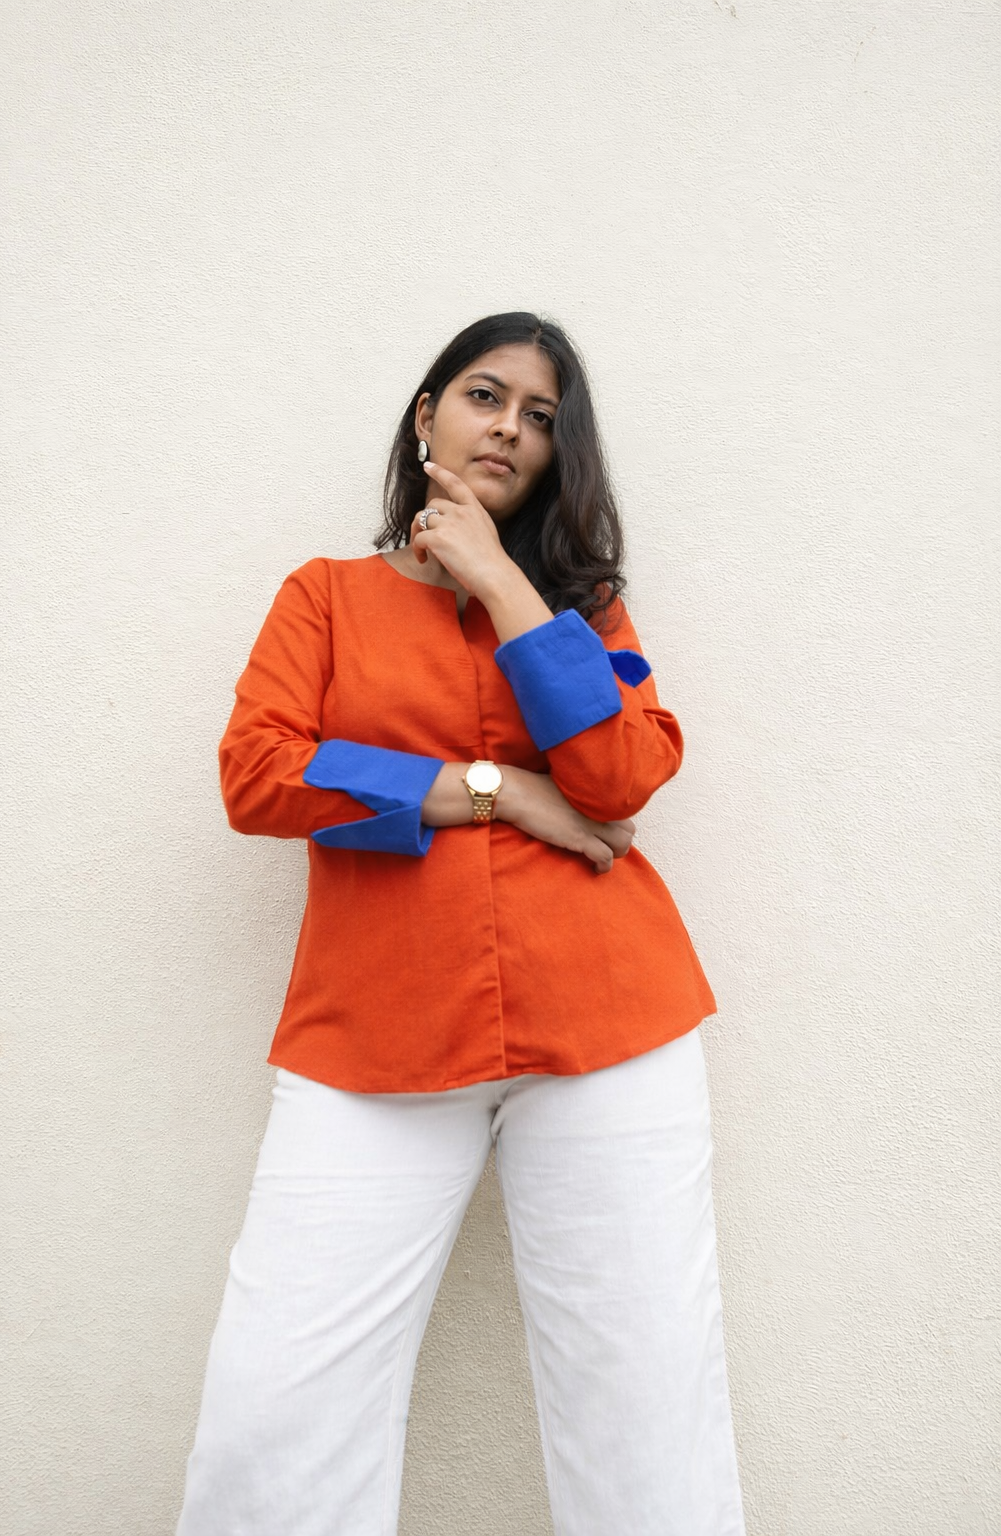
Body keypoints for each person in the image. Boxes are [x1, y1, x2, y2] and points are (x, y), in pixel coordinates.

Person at [175, 312, 748, 1536]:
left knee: (644, 1392)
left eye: (540, 418)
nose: (509, 428)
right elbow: (258, 776)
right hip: (374, 1036)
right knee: (280, 1400)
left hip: (608, 1024)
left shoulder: (582, 610)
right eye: (485, 396)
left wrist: (500, 581)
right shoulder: (325, 598)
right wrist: (497, 792)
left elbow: (619, 776)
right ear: (425, 415)